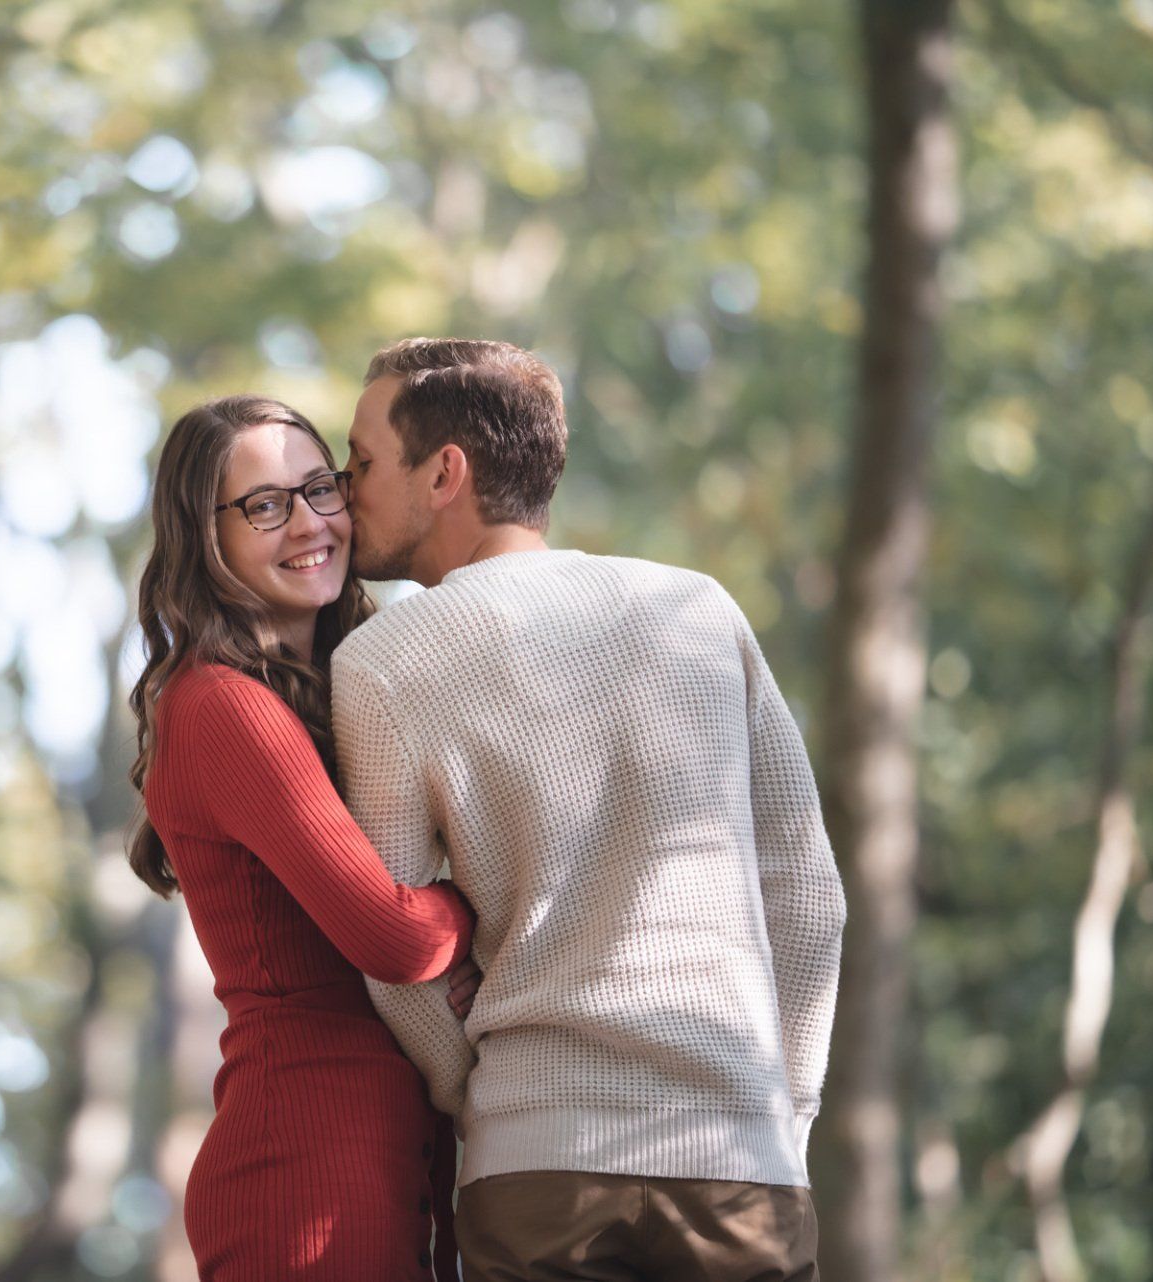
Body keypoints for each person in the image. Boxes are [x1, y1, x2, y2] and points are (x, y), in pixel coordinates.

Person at [331, 338, 848, 1281]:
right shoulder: (698, 609)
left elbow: (393, 946)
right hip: (739, 1161)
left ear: (446, 471)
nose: (342, 485)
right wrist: (786, 1113)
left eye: (361, 460)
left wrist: (470, 1090)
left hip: (535, 1169)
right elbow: (810, 897)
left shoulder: (380, 663)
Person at [128, 394, 474, 1281]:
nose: (311, 523)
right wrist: (486, 904)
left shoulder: (338, 685)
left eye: (320, 488)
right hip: (307, 1169)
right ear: (203, 537)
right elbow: (393, 936)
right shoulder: (220, 705)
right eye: (264, 505)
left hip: (391, 1153)